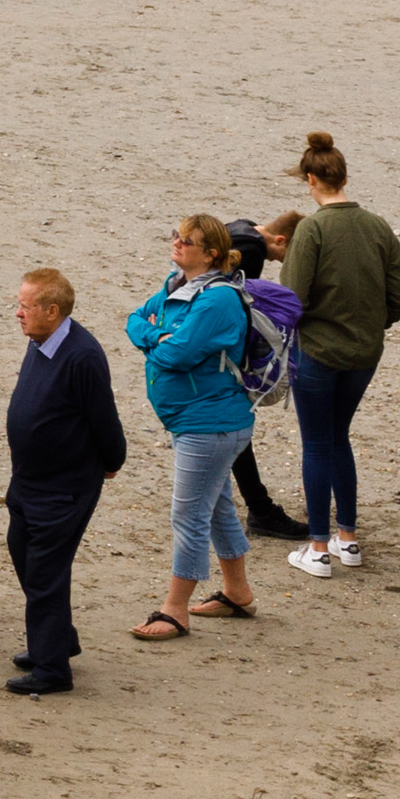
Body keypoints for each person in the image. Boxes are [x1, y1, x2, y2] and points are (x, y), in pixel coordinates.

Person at [275, 134, 400, 575]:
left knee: (316, 443)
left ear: (311, 179)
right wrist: (372, 323)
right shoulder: (376, 226)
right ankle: (347, 538)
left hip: (317, 350)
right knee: (340, 437)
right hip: (364, 352)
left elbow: (292, 298)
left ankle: (317, 546)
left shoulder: (313, 229)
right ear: (344, 175)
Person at [126, 215, 262, 641]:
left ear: (212, 254)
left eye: (189, 241)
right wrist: (158, 337)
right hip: (196, 420)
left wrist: (157, 339)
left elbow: (178, 355)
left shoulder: (218, 300)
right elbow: (133, 319)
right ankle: (238, 591)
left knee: (188, 514)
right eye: (177, 237)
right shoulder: (175, 286)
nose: (178, 244)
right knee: (217, 504)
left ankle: (175, 610)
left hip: (212, 423)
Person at [0, 266, 129, 694]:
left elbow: (104, 419)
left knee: (44, 572)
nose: (17, 313)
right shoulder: (40, 341)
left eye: (25, 305)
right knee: (23, 552)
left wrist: (111, 461)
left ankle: (52, 669)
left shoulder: (82, 356)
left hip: (63, 486)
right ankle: (58, 639)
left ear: (52, 311)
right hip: (29, 480)